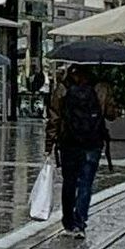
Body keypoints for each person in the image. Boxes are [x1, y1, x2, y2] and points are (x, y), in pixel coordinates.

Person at [50, 68, 109, 238]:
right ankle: (80, 223)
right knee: (86, 183)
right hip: (93, 142)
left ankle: (68, 223)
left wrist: (50, 143)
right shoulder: (101, 87)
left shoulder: (63, 88)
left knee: (69, 182)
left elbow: (54, 116)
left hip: (69, 142)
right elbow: (111, 114)